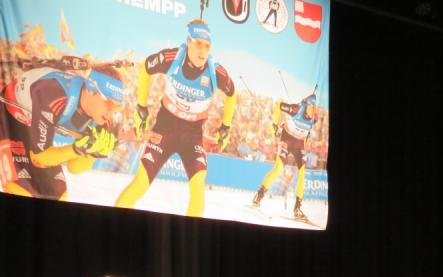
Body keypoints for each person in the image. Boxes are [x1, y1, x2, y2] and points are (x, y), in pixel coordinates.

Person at [115, 19, 236, 217]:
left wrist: (226, 126)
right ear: (188, 42)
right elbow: (145, 68)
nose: (202, 51)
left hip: (193, 136)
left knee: (198, 188)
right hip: (165, 129)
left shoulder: (216, 72)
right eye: (198, 44)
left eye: (207, 46)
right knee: (140, 183)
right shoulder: (172, 58)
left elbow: (232, 94)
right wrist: (141, 107)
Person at [1, 62, 122, 199]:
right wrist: (77, 149)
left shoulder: (102, 119)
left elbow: (74, 168)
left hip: (33, 124)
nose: (111, 112)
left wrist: (93, 153)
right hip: (8, 118)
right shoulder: (54, 92)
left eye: (116, 107)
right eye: (109, 103)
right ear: (90, 89)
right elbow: (38, 157)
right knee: (19, 190)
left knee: (59, 196)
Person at [251, 91, 317, 221]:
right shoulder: (296, 109)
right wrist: (275, 124)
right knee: (278, 169)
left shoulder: (315, 117)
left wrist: (307, 136)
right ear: (306, 105)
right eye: (310, 107)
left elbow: (308, 129)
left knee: (302, 173)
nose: (312, 110)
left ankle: (297, 208)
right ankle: (259, 194)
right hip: (287, 140)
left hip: (299, 144)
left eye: (314, 107)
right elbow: (279, 105)